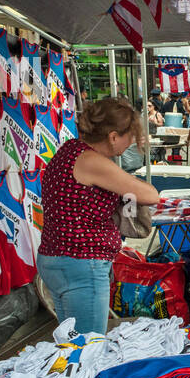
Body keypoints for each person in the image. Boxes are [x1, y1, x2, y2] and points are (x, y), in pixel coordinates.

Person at [38, 97, 160, 334]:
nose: (131, 143)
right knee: (89, 345)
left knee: (71, 342)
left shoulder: (70, 150)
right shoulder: (91, 160)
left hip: (59, 258)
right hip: (82, 262)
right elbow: (150, 195)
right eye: (129, 137)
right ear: (113, 136)